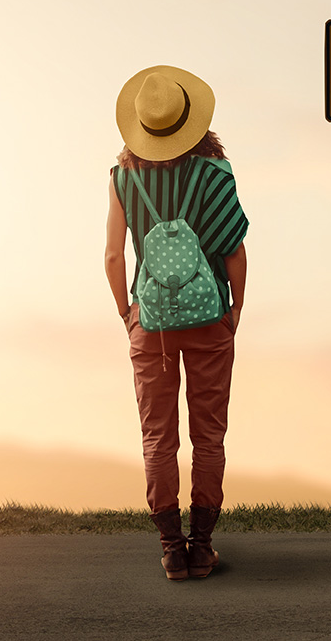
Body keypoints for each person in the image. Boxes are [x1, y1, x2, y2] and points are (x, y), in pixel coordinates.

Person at [105, 65, 248, 581]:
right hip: (210, 320)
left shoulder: (124, 178)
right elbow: (234, 252)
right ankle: (203, 546)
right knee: (209, 434)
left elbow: (114, 259)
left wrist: (128, 314)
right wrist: (234, 311)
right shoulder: (215, 175)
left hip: (151, 325)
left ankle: (171, 549)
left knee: (157, 437)